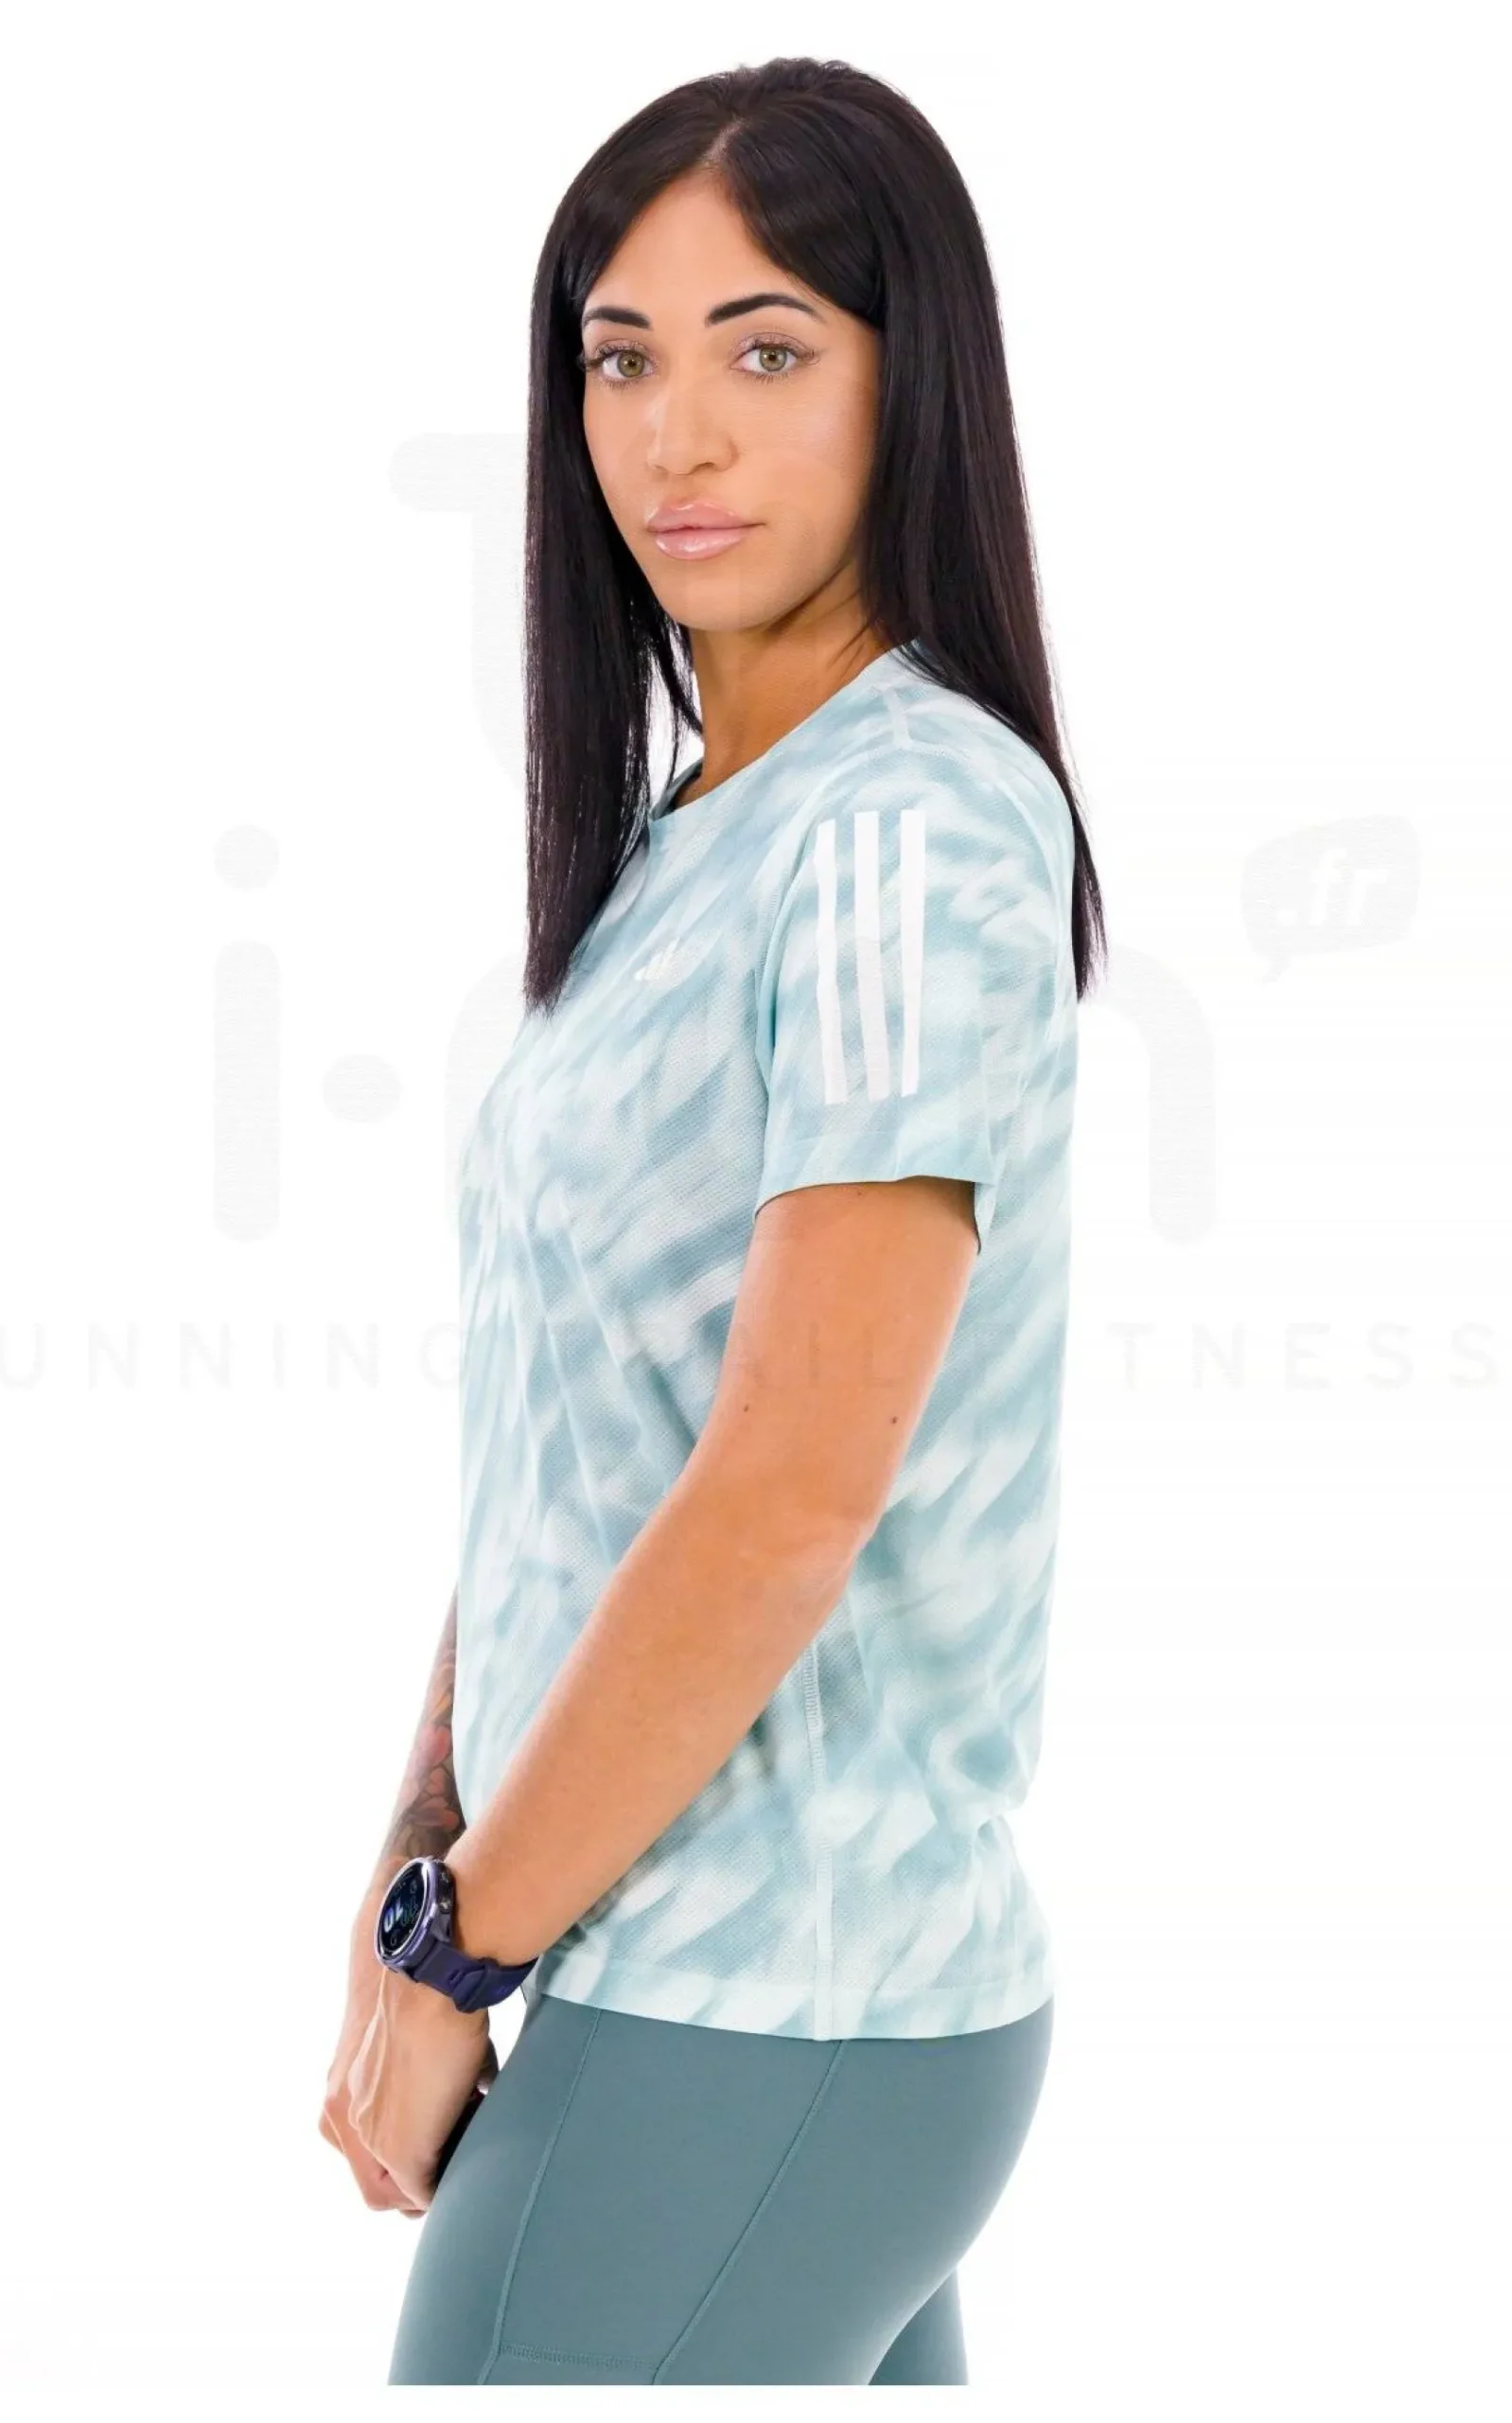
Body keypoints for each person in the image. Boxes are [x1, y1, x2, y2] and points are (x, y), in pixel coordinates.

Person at [318, 55, 1107, 2386]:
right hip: (723, 1995)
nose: (676, 434)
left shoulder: (900, 827)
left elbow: (780, 1491)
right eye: (619, 357)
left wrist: (465, 1945)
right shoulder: (707, 834)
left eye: (765, 350)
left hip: (766, 1999)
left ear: (906, 377)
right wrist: (423, 1864)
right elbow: (595, 1433)